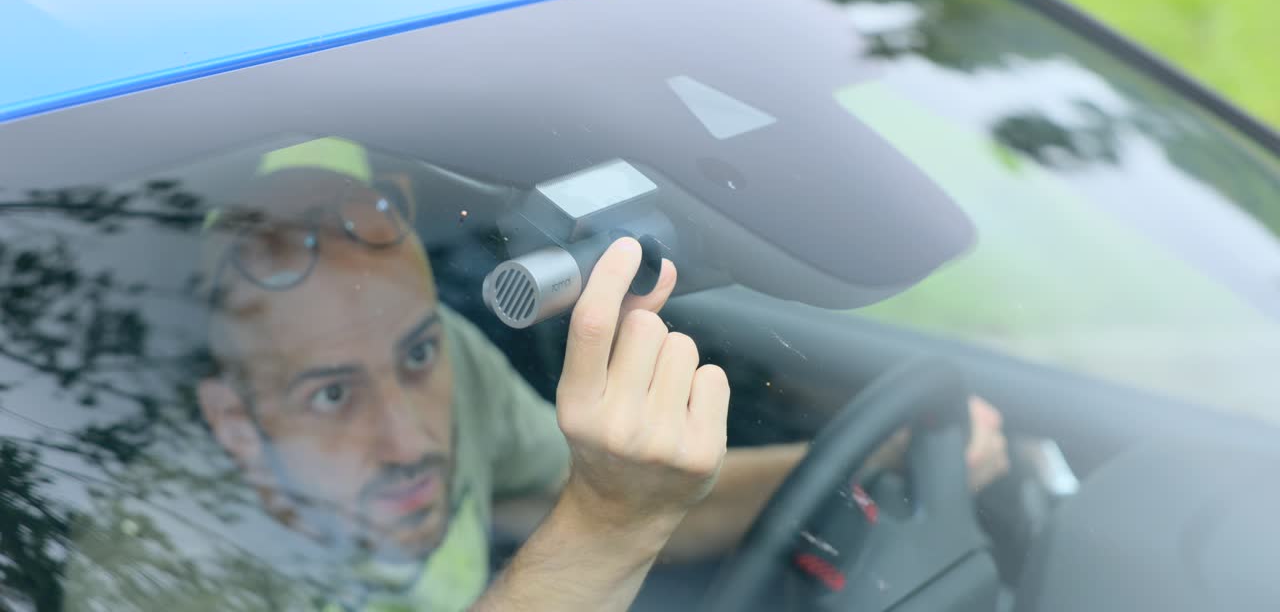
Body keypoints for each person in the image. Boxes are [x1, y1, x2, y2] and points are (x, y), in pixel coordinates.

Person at [193, 138, 1009, 611]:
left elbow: (622, 500)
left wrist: (880, 455)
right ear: (234, 421)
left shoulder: (454, 366)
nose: (410, 438)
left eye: (417, 351)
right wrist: (611, 522)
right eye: (330, 395)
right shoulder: (155, 562)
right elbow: (606, 516)